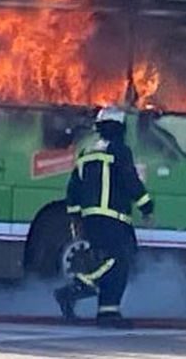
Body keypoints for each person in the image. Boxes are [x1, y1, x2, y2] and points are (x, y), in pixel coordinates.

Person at [54, 105, 154, 325]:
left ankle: (108, 313)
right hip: (113, 217)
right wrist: (147, 207)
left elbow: (73, 188)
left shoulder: (86, 152)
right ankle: (74, 289)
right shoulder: (119, 150)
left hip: (92, 219)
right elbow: (130, 180)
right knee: (119, 260)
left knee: (113, 262)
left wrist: (76, 218)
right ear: (120, 127)